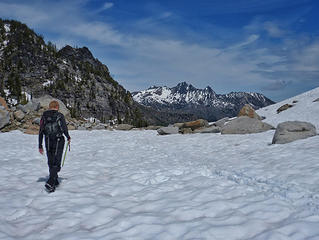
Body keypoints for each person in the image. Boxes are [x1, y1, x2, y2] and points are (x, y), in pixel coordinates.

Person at [38, 100, 71, 192]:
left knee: (51, 160)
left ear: (49, 106)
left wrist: (40, 145)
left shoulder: (44, 116)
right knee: (57, 162)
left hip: (48, 140)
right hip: (58, 140)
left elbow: (41, 131)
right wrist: (68, 137)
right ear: (57, 106)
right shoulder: (60, 116)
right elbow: (64, 128)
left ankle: (54, 179)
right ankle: (51, 181)